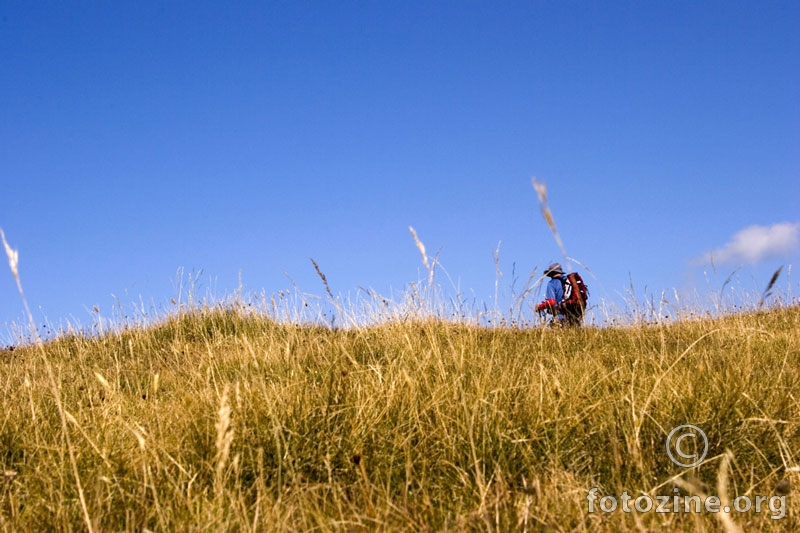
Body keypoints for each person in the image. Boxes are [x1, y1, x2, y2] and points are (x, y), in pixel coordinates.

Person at [535, 262, 585, 327]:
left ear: (551, 273)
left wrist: (540, 306)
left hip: (561, 317)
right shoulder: (569, 281)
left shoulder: (552, 283)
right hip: (575, 317)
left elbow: (551, 302)